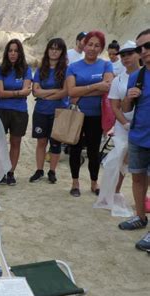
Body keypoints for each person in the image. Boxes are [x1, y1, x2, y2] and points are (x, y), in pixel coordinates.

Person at [94, 40, 140, 215]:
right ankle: (113, 193)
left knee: (137, 162)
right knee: (119, 158)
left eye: (130, 54)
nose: (126, 58)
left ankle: (140, 198)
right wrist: (126, 124)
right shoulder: (118, 80)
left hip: (143, 125)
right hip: (123, 125)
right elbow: (114, 106)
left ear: (138, 54)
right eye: (124, 55)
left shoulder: (146, 75)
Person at [65, 31, 113, 197]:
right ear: (84, 45)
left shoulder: (106, 65)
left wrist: (82, 91)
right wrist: (95, 87)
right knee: (75, 149)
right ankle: (75, 183)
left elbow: (107, 87)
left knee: (94, 151)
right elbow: (71, 92)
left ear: (101, 48)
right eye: (90, 44)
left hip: (97, 115)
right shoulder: (73, 67)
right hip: (78, 114)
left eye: (97, 45)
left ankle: (94, 183)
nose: (92, 48)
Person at [117, 28, 150, 252]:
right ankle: (140, 216)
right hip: (139, 135)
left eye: (148, 46)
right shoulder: (137, 76)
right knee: (137, 178)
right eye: (140, 48)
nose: (144, 51)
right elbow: (126, 109)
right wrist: (129, 98)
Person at [29, 38, 69, 184]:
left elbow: (65, 92)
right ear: (47, 50)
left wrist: (44, 93)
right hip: (41, 111)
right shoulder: (41, 69)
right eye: (51, 48)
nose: (53, 51)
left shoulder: (66, 70)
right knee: (41, 141)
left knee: (55, 143)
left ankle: (52, 171)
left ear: (62, 52)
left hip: (59, 111)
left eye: (57, 49)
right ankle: (39, 170)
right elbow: (35, 92)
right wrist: (54, 92)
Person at [0, 38, 32, 185]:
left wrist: (12, 92)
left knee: (15, 142)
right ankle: (0, 171)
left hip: (19, 111)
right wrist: (17, 92)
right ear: (6, 53)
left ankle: (10, 172)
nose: (13, 53)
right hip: (1, 110)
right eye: (10, 50)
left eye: (16, 51)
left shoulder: (26, 70)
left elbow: (27, 91)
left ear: (20, 53)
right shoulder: (0, 70)